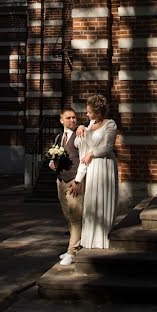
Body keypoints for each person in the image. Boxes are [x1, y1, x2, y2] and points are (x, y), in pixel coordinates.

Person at [70, 94, 118, 249]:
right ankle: (89, 240)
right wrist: (80, 128)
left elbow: (107, 146)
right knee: (91, 203)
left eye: (89, 112)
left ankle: (103, 239)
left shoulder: (110, 124)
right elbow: (79, 145)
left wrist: (92, 153)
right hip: (92, 169)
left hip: (105, 166)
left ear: (98, 112)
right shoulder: (89, 125)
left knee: (103, 201)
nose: (87, 114)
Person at [49, 107, 83, 266]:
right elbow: (57, 158)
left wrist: (78, 181)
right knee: (68, 215)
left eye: (74, 117)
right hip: (60, 181)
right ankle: (74, 245)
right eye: (68, 118)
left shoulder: (81, 135)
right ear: (61, 120)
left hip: (74, 182)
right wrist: (52, 163)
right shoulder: (59, 137)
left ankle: (72, 251)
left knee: (76, 216)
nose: (72, 120)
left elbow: (84, 160)